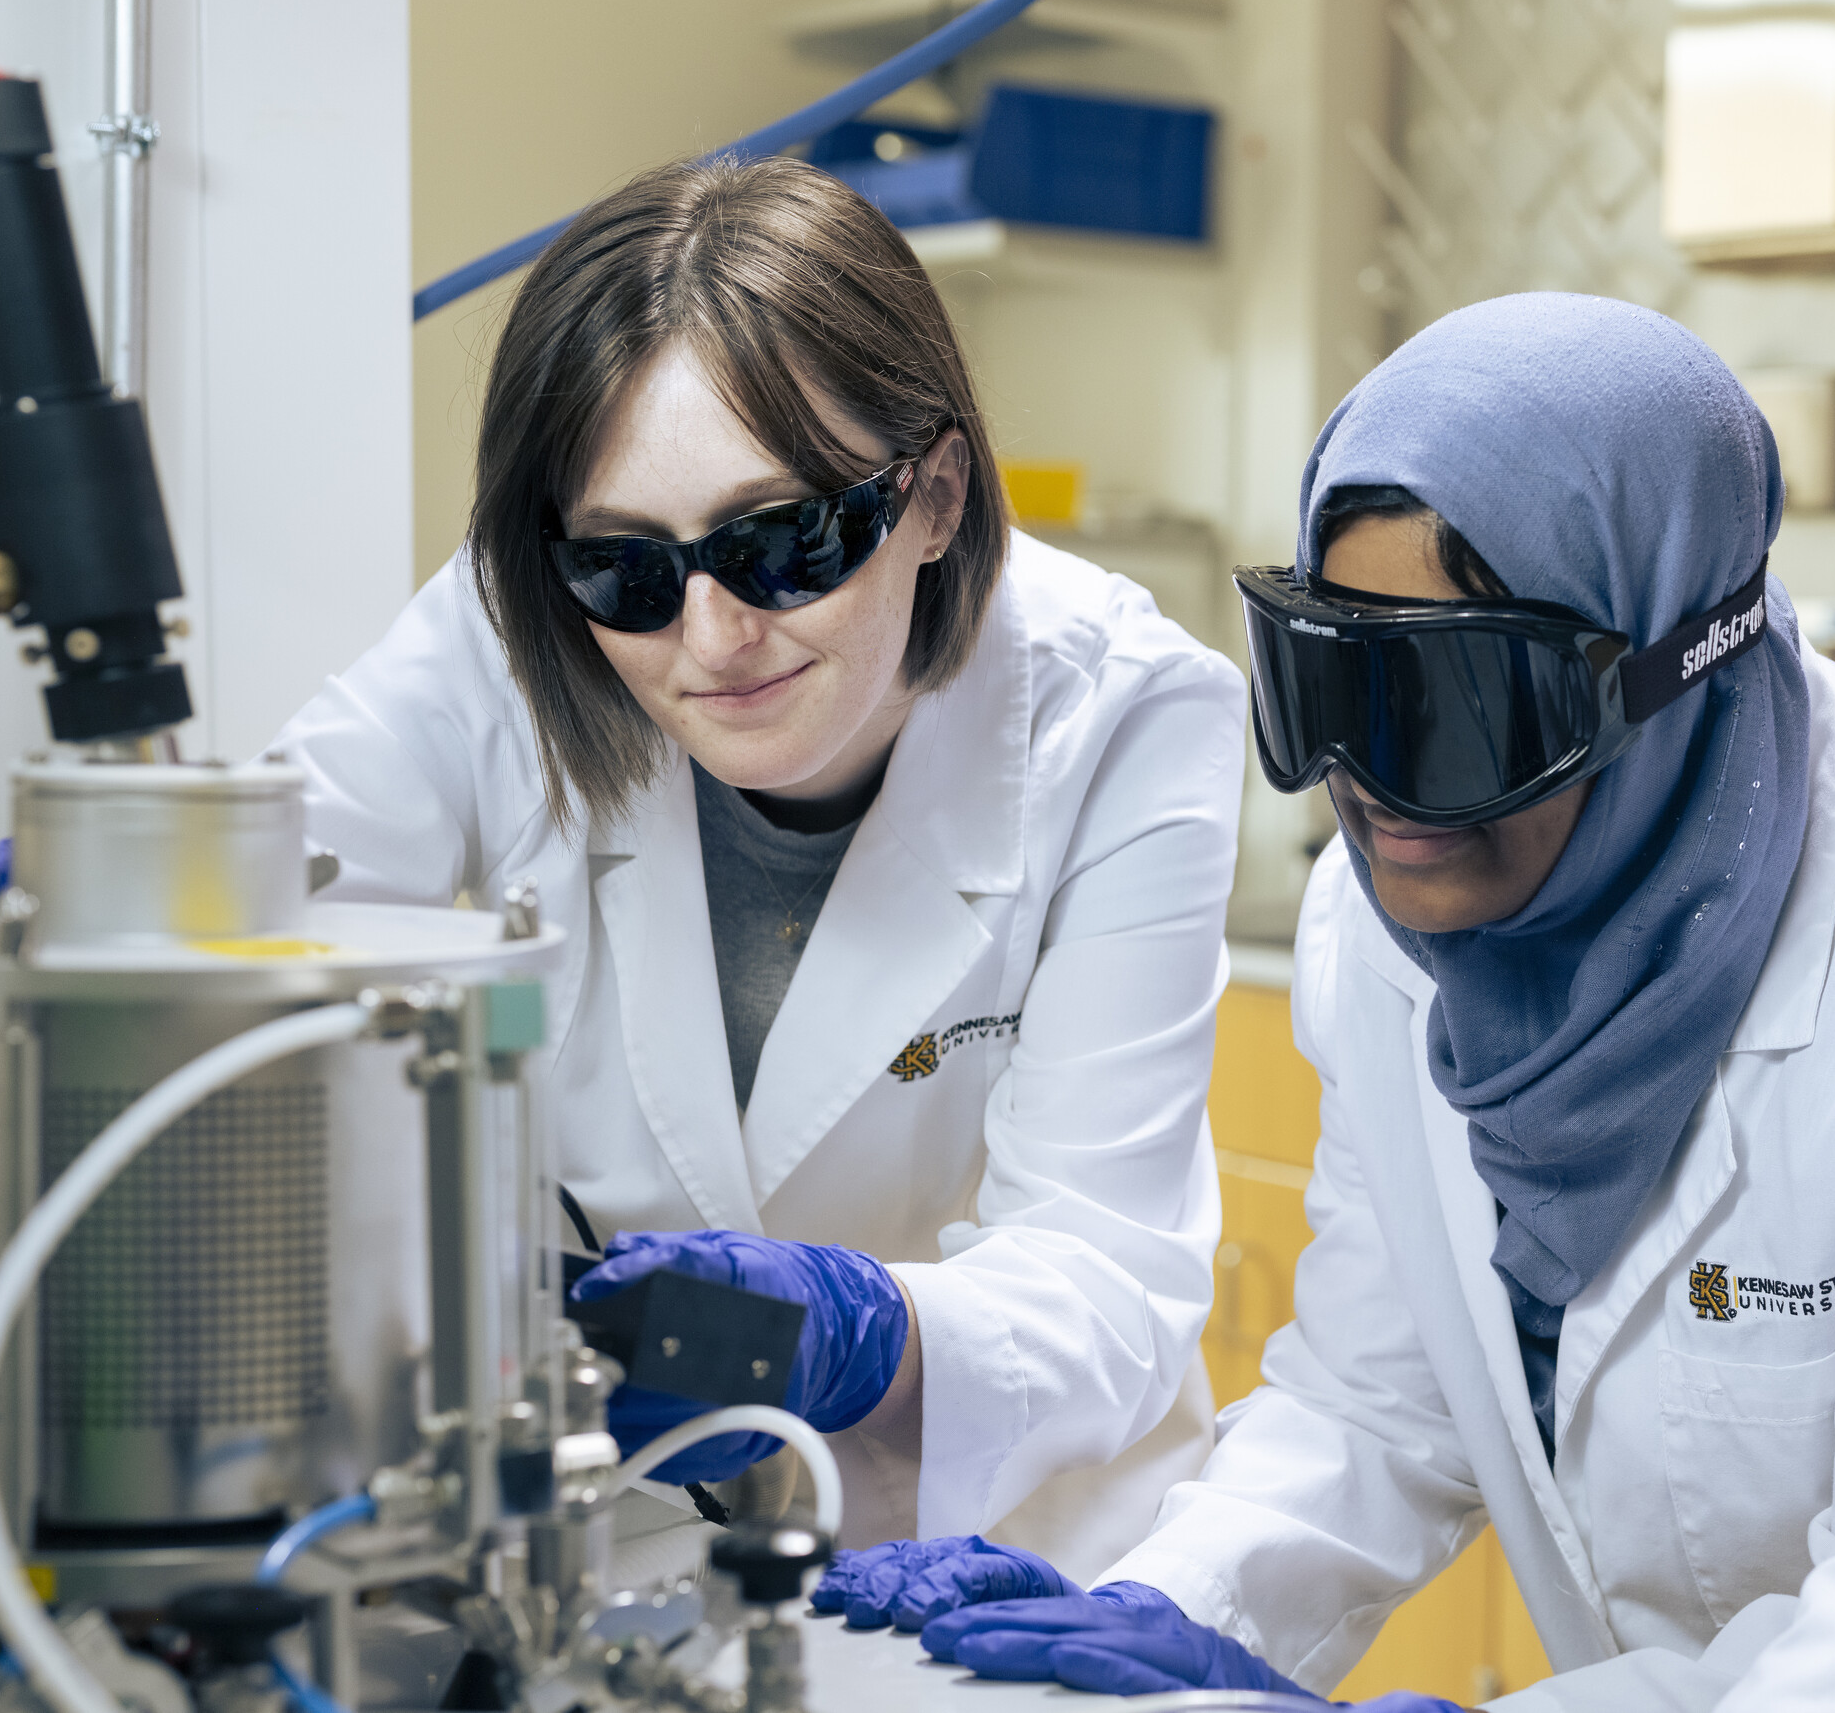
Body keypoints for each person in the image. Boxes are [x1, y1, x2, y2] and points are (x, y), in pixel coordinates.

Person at [811, 293, 1835, 1710]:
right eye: (1329, 679)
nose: (1377, 787)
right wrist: (1174, 1611)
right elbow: (1379, 1396)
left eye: (1455, 705)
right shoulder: (1392, 927)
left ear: (1663, 674)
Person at [265, 157, 1245, 1572]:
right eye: (632, 573)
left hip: (1005, 1548)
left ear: (936, 494)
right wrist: (146, 894)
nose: (714, 639)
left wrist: (849, 1333)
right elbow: (282, 885)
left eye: (787, 542)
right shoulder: (517, 625)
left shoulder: (1127, 710)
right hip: (638, 1529)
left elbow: (1103, 1280)